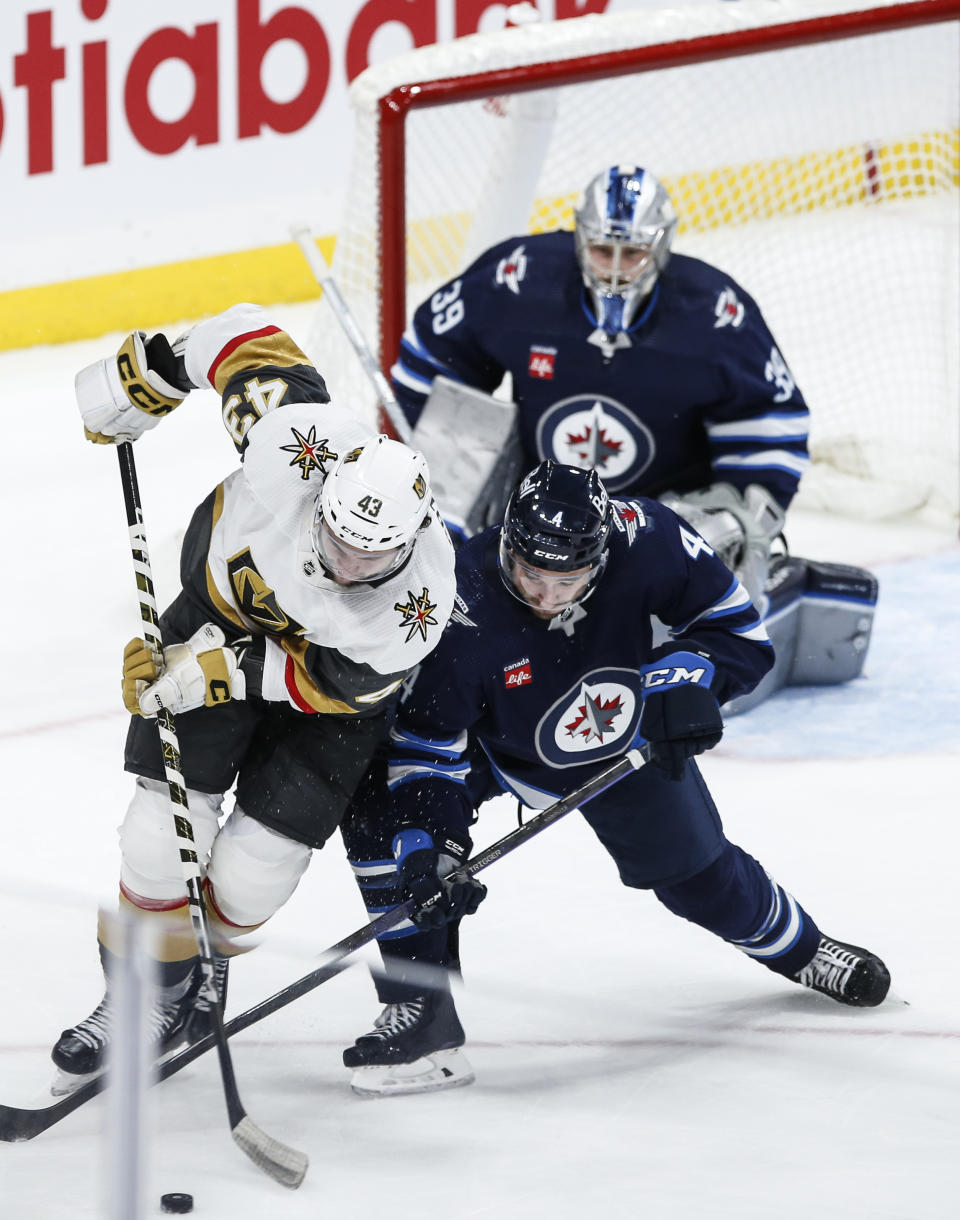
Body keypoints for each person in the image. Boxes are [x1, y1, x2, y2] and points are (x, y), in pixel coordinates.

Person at [339, 460, 890, 1097]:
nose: (545, 596)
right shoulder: (456, 594)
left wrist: (690, 680)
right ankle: (423, 1009)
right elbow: (428, 745)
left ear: (600, 560)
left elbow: (740, 633)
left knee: (698, 881)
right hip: (498, 749)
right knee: (384, 813)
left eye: (566, 580)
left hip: (626, 740)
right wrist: (430, 847)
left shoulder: (650, 540)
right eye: (529, 574)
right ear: (509, 545)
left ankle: (803, 950)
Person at [51, 303, 456, 1092]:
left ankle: (201, 975)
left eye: (369, 556)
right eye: (336, 536)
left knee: (255, 873)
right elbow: (237, 332)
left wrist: (212, 672)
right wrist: (146, 381)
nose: (345, 563)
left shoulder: (418, 605)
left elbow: (334, 686)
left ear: (407, 542)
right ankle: (146, 995)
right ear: (327, 490)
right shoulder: (294, 445)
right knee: (155, 839)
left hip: (324, 698)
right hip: (216, 618)